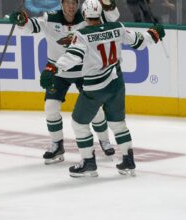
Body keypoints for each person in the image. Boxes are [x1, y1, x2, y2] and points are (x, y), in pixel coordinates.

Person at [39, 0, 165, 177]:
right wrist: (154, 34)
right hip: (117, 84)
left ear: (84, 15)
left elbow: (73, 56)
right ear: (100, 13)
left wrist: (53, 69)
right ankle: (128, 162)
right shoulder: (117, 28)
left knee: (79, 123)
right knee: (118, 123)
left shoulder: (82, 35)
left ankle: (88, 162)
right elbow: (138, 41)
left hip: (95, 87)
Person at [8, 0, 120, 165]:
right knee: (50, 107)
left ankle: (104, 141)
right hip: (57, 70)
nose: (71, 7)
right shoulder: (50, 17)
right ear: (61, 4)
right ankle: (57, 145)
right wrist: (21, 20)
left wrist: (109, 5)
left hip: (84, 70)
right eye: (67, 3)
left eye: (74, 3)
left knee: (95, 110)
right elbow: (31, 26)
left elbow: (112, 18)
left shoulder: (87, 17)